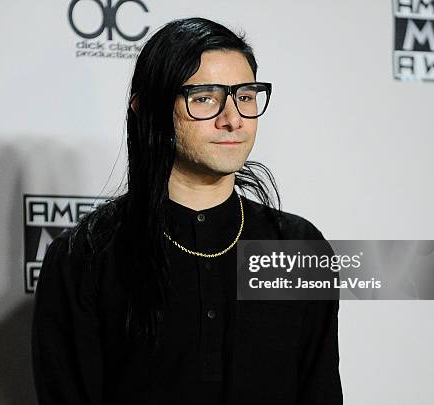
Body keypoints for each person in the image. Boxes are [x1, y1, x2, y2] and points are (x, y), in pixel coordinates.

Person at [32, 17, 342, 405]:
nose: (233, 119)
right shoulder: (85, 257)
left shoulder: (298, 249)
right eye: (205, 98)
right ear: (147, 109)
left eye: (245, 96)